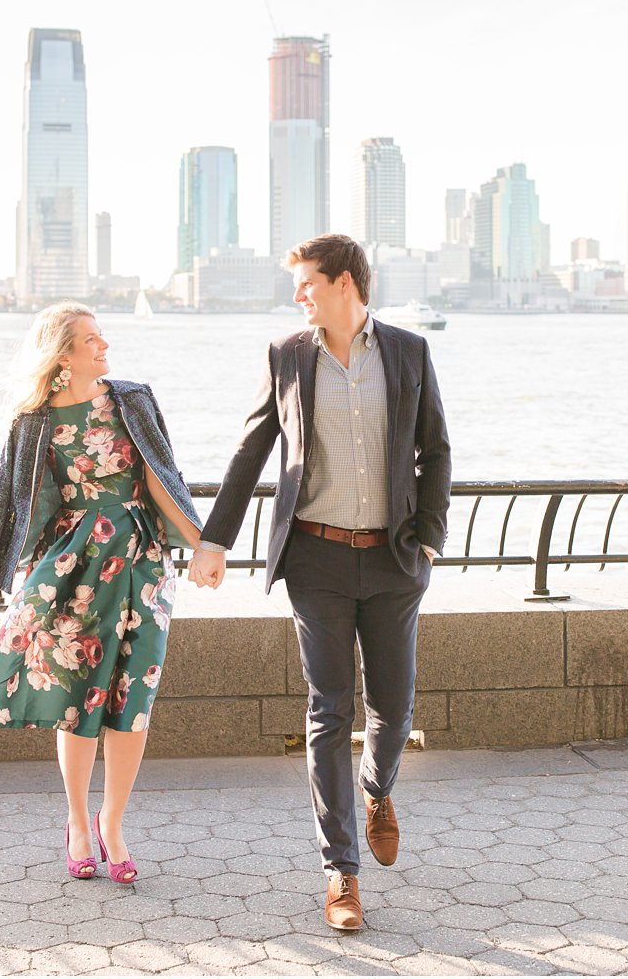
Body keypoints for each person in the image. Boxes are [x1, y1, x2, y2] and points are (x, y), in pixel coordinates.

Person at [188, 234, 451, 931]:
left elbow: (436, 449)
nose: (298, 295)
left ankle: (377, 787)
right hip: (316, 560)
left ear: (343, 284)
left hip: (394, 560)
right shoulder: (288, 357)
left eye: (306, 283)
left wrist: (427, 538)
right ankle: (341, 871)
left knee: (394, 710)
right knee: (329, 709)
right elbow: (252, 447)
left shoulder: (408, 352)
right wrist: (215, 539)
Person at [0, 301, 204, 885]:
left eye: (102, 338)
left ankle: (112, 823)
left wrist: (203, 544)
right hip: (75, 567)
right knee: (80, 696)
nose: (104, 347)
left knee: (132, 698)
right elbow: (7, 505)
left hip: (142, 561)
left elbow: (162, 478)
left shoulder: (132, 399)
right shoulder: (33, 421)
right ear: (61, 353)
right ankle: (75, 820)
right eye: (91, 340)